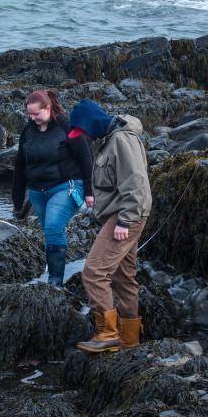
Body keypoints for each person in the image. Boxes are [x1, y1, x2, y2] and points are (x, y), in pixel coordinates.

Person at [68, 99, 152, 353]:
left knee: (94, 272)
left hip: (125, 216)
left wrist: (125, 221)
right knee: (124, 278)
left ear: (90, 124)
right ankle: (129, 341)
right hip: (121, 214)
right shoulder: (108, 139)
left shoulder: (120, 140)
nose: (82, 137)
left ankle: (107, 333)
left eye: (82, 132)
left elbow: (136, 183)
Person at [12, 90, 94, 287]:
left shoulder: (66, 125)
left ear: (48, 108)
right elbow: (20, 164)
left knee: (53, 227)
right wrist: (16, 198)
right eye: (29, 114)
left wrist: (90, 192)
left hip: (66, 186)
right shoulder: (28, 130)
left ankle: (55, 283)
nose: (32, 118)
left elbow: (86, 158)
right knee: (49, 233)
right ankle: (53, 273)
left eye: (36, 114)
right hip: (37, 191)